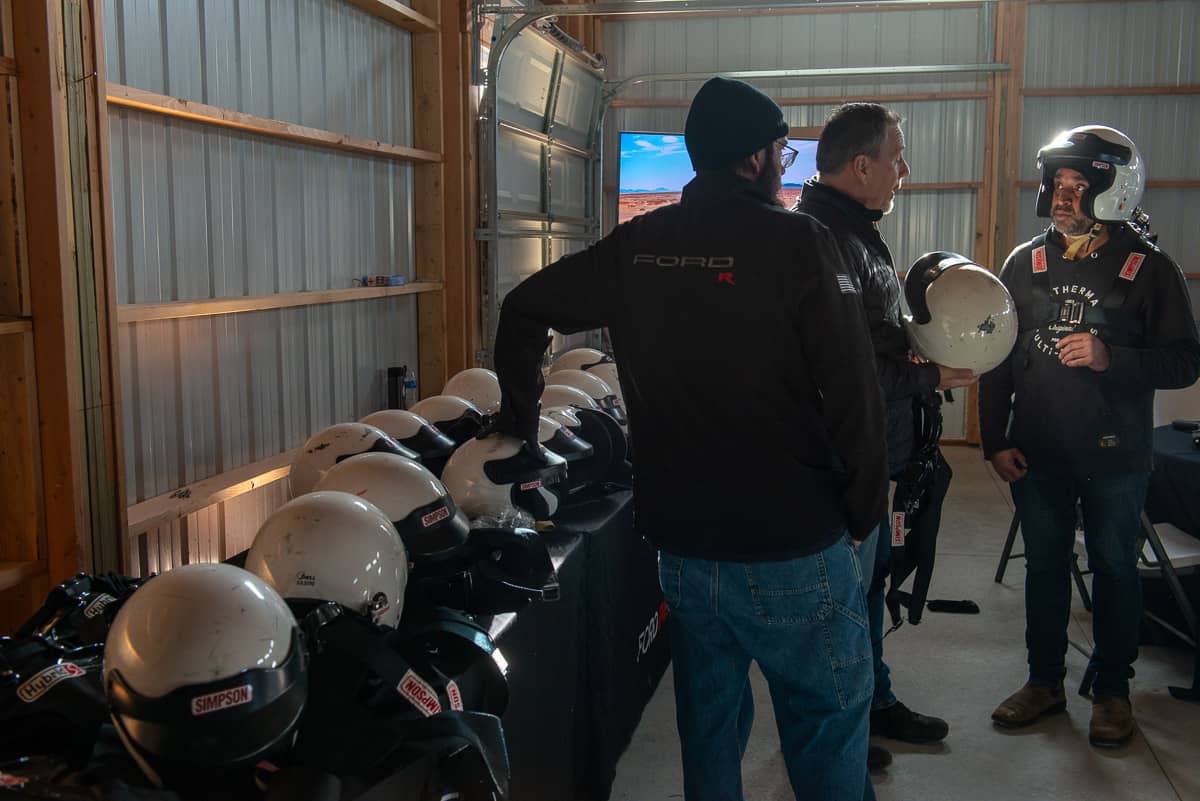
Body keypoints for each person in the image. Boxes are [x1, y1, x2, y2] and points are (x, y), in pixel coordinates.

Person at [492, 77, 888, 801]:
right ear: (752, 160)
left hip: (687, 553)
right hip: (793, 544)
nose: (787, 162)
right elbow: (855, 394)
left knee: (709, 727)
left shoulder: (639, 245)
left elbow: (522, 309)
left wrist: (517, 427)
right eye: (782, 149)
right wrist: (863, 514)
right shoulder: (803, 242)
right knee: (826, 723)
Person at [980, 125, 1200, 747]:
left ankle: (1112, 693)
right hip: (1038, 453)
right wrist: (993, 438)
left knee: (1114, 570)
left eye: (1080, 185)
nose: (1063, 196)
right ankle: (1044, 683)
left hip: (1116, 458)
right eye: (1058, 183)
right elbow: (997, 355)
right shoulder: (1025, 263)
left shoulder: (1150, 269)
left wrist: (1113, 359)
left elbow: (1186, 361)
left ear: (1114, 190)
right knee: (1045, 569)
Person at [794, 103, 973, 766]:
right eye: (896, 156)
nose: (905, 170)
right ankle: (835, 733)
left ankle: (871, 703)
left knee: (868, 591)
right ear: (861, 164)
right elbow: (844, 369)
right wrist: (934, 376)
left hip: (880, 453)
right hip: (843, 463)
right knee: (836, 605)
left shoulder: (855, 230)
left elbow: (874, 335)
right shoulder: (820, 238)